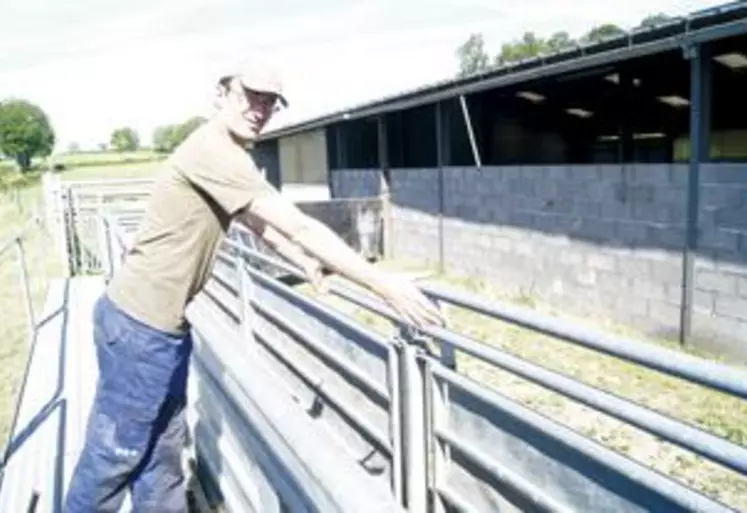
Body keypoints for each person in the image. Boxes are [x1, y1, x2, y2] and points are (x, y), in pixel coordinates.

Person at [63, 58, 444, 512]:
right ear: (221, 94)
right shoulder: (214, 151)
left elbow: (253, 220)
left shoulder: (228, 156)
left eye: (269, 103)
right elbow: (299, 224)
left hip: (159, 326)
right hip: (139, 326)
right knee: (116, 454)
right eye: (250, 97)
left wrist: (303, 262)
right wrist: (383, 285)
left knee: (162, 453)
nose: (259, 109)